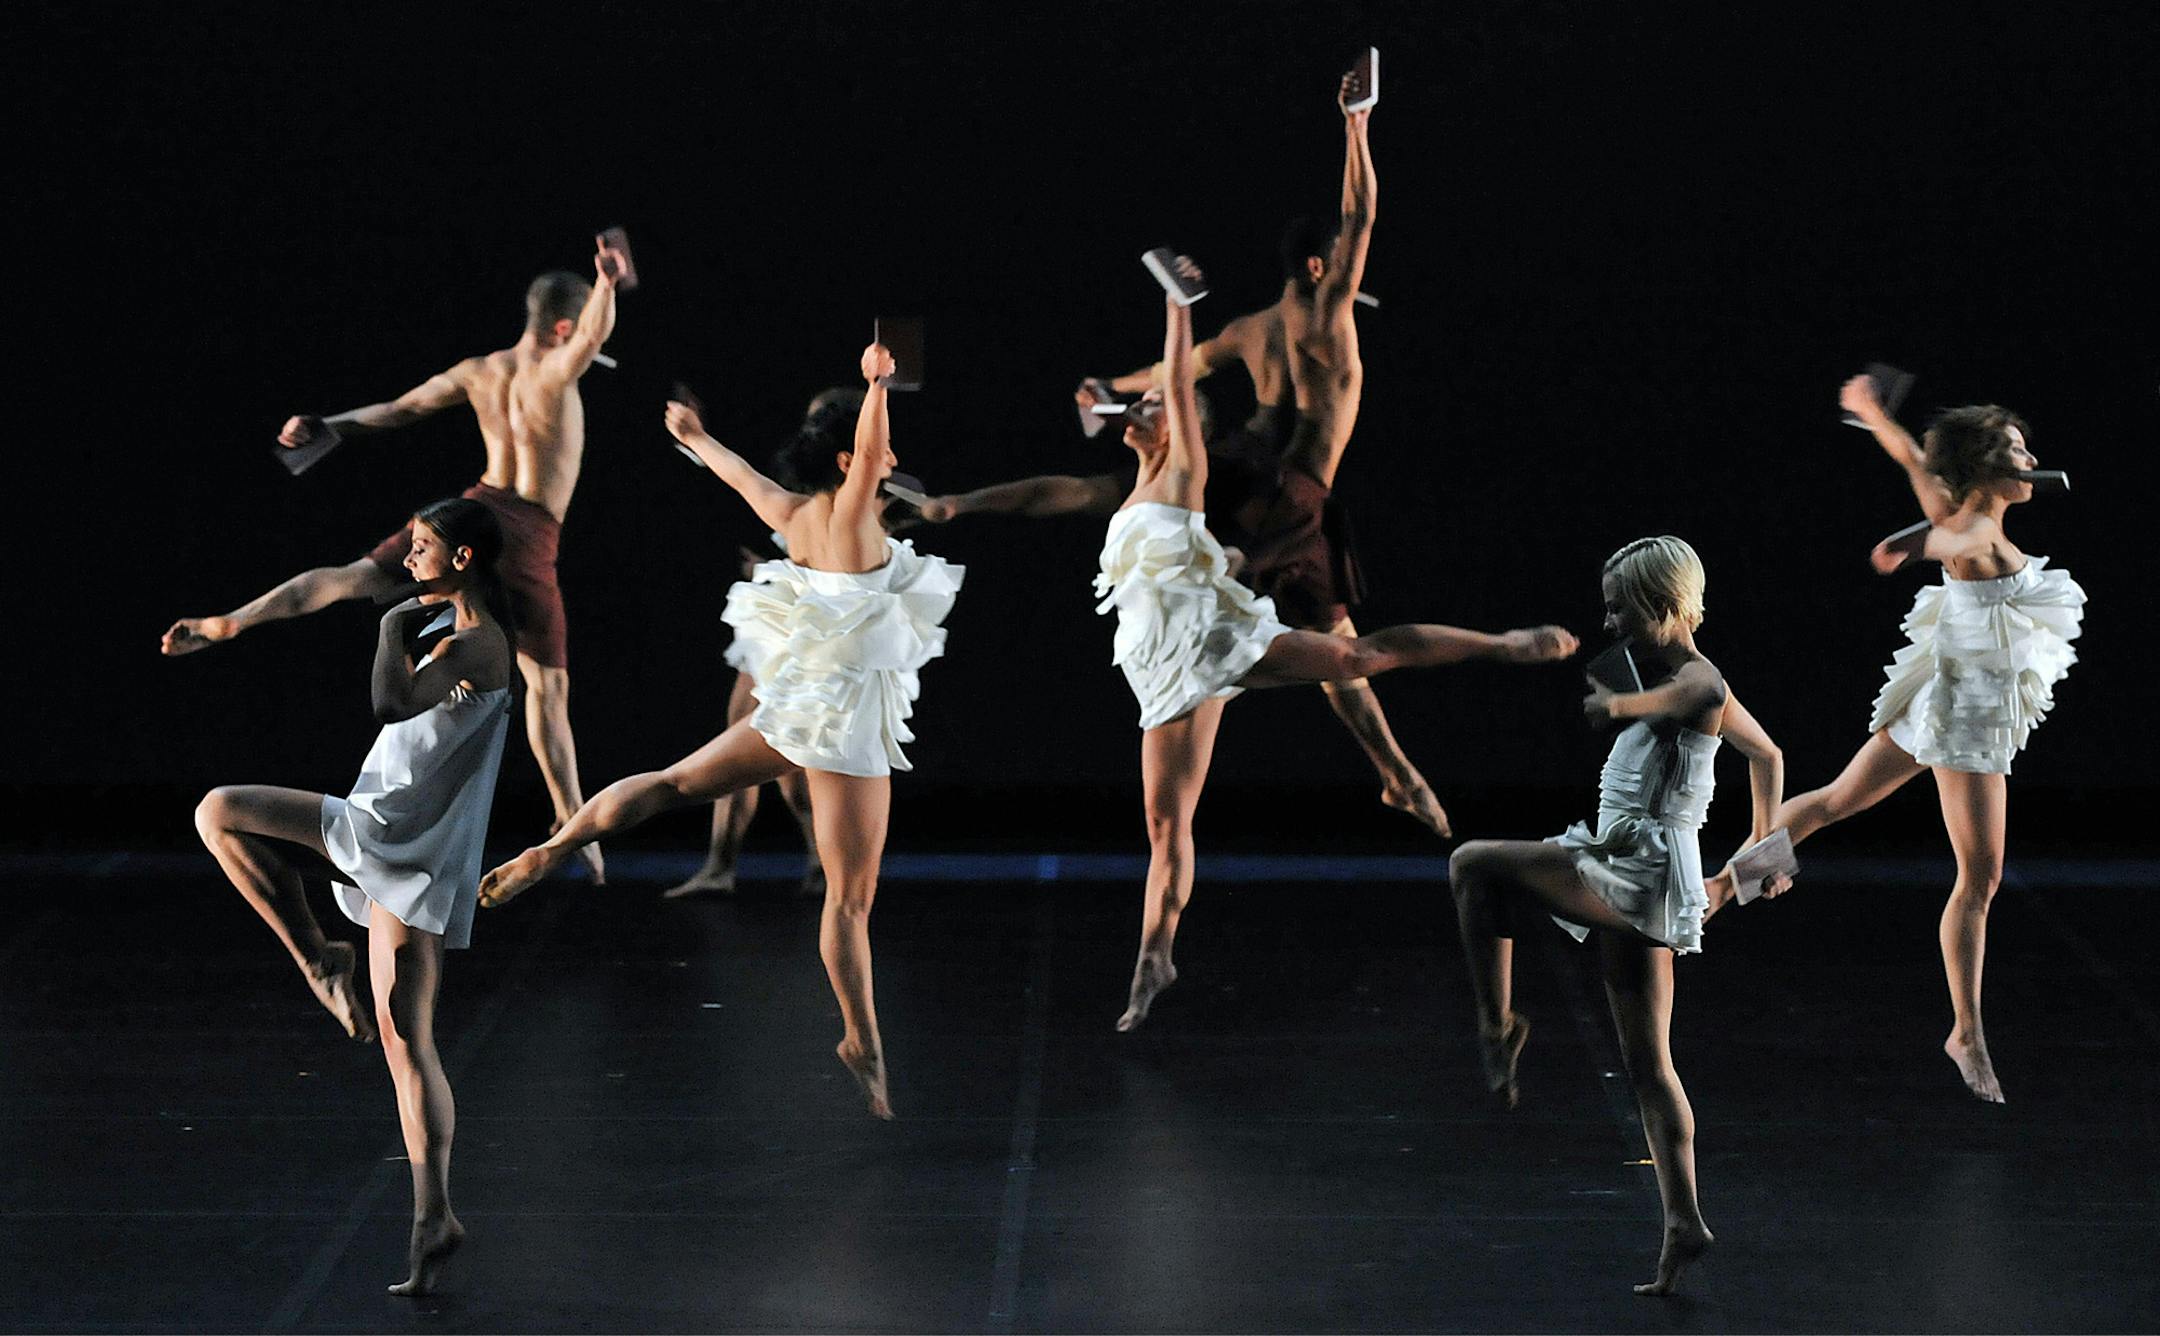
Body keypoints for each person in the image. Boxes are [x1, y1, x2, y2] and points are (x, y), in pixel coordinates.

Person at [477, 345, 963, 1121]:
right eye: (877, 454)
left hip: (795, 708)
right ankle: (860, 1039)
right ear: (849, 461)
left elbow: (737, 474)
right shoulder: (849, 510)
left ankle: (556, 845)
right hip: (841, 731)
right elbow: (874, 447)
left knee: (671, 783)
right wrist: (875, 383)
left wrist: (696, 437)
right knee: (848, 902)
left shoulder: (794, 513)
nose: (891, 460)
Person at [1099, 257, 1577, 1032]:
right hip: (1162, 669)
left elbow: (1179, 381)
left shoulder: (1183, 469)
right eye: (1148, 405)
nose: (1147, 406)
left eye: (1159, 404)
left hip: (1215, 638)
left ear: (1185, 423)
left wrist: (1178, 305)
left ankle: (1506, 644)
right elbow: (1143, 398)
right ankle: (1156, 954)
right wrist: (1115, 393)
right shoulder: (1134, 483)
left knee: (1355, 659)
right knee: (1167, 824)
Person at [164, 233, 627, 883]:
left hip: (470, 508)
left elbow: (401, 409)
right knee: (547, 689)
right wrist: (607, 286)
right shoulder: (556, 368)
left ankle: (236, 619)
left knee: (353, 577)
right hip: (525, 534)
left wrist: (329, 423)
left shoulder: (479, 372)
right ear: (560, 326)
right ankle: (578, 833)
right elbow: (587, 342)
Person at [1078, 76, 1454, 835]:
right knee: (1343, 648)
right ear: (1318, 268)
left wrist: (1106, 385)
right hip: (1294, 497)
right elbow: (1361, 214)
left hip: (1242, 484)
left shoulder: (1249, 330)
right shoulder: (1327, 313)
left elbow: (1175, 374)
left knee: (1322, 640)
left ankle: (1395, 775)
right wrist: (1358, 125)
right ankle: (1399, 770)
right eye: (1341, 263)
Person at [1446, 536, 1789, 1297]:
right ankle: (1683, 1220)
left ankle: (1496, 1026)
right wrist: (1767, 855)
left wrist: (1626, 703)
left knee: (1473, 865)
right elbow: (1768, 757)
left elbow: (1688, 699)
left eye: (1618, 607)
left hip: (1635, 870)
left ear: (1664, 605)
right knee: (1648, 1065)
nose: (1607, 622)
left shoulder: (1699, 677)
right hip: (1633, 869)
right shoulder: (1665, 673)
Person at [192, 497, 515, 1296]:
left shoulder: (479, 643)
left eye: (423, 547)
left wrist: (385, 634)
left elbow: (390, 704)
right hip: (399, 850)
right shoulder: (451, 627)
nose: (409, 560)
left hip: (389, 842)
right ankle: (434, 1214)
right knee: (406, 1043)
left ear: (464, 558)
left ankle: (318, 961)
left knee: (220, 810)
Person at [1767, 376, 2086, 1103]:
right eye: (2015, 449)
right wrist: (1915, 542)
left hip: (1942, 703)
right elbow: (1947, 536)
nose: (2031, 457)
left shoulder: (1963, 510)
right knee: (1980, 879)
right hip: (1965, 722)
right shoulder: (1969, 527)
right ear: (1985, 469)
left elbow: (1913, 460)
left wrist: (1875, 415)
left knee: (1832, 802)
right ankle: (1966, 1032)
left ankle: (1727, 885)